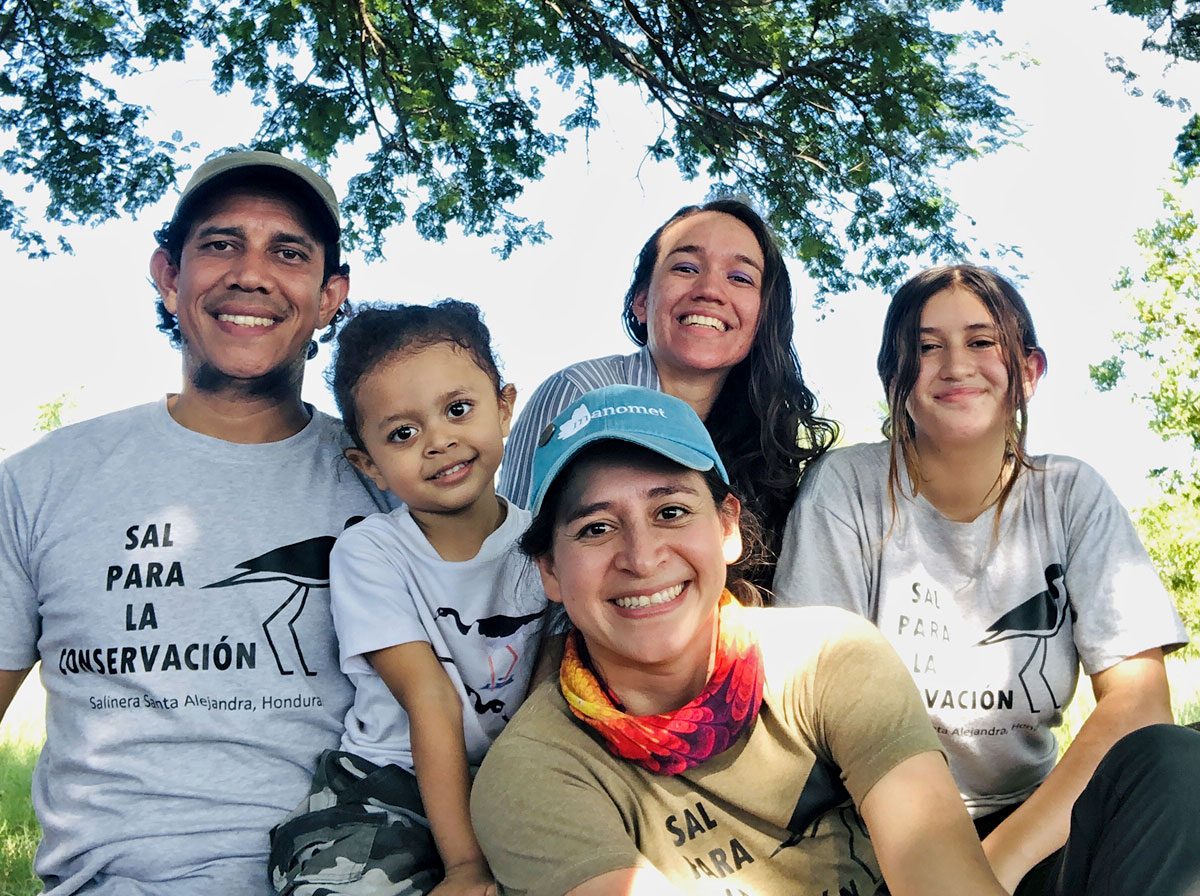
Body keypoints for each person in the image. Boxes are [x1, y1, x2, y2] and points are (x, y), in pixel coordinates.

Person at [0, 150, 392, 894]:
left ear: (330, 293)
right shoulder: (39, 482)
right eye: (219, 244)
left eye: (288, 251)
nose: (250, 273)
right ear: (169, 275)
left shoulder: (394, 487)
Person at [472, 384, 1010, 896]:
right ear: (549, 570)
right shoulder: (534, 772)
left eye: (671, 512)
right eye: (596, 528)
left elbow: (943, 875)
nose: (642, 557)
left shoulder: (832, 660)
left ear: (727, 528)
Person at [774, 264, 1197, 893]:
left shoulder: (1071, 495)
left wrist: (990, 870)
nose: (955, 364)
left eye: (981, 341)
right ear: (895, 377)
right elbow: (812, 697)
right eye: (925, 347)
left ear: (1028, 371)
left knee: (1180, 761)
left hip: (1030, 828)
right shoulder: (847, 490)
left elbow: (1138, 705)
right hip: (879, 836)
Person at [269, 301, 547, 896]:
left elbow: (550, 693)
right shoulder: (370, 553)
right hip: (385, 784)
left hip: (510, 779)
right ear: (369, 465)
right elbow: (428, 697)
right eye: (403, 433)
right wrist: (466, 865)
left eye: (458, 409)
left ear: (504, 409)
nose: (439, 441)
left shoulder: (546, 546)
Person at [498, 199, 837, 590]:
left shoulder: (767, 440)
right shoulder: (580, 397)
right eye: (686, 268)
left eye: (740, 278)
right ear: (641, 302)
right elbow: (518, 578)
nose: (710, 290)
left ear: (763, 319)